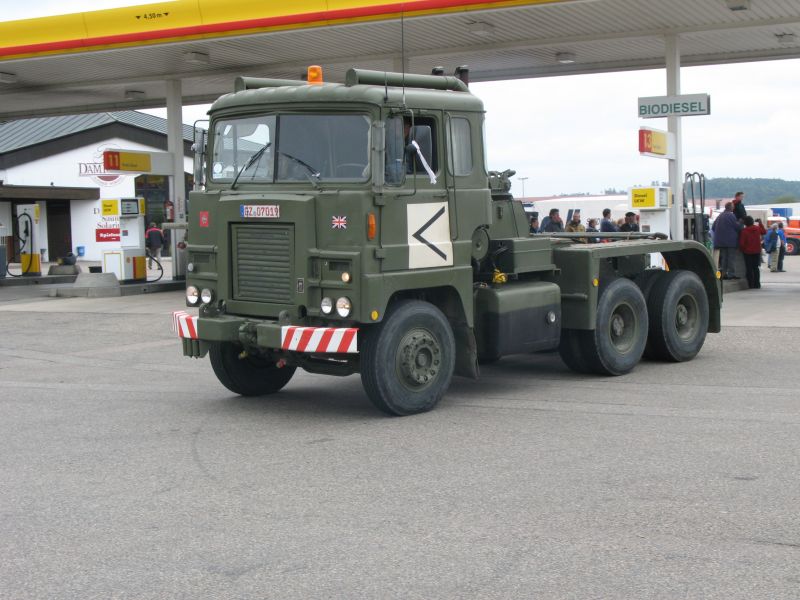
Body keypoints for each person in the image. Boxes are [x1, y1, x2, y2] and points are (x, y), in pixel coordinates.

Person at [711, 202, 741, 280]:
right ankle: (731, 274)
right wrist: (741, 224)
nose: (733, 208)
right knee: (731, 258)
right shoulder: (731, 215)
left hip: (720, 241)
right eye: (733, 206)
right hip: (730, 241)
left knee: (724, 259)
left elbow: (713, 227)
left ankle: (723, 274)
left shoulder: (720, 216)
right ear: (730, 207)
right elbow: (737, 227)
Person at [739, 216, 763, 289]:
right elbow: (764, 231)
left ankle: (751, 284)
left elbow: (742, 243)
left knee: (749, 268)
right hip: (757, 251)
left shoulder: (744, 231)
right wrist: (760, 223)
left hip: (747, 252)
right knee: (756, 268)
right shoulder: (757, 228)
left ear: (745, 223)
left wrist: (742, 250)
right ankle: (757, 284)